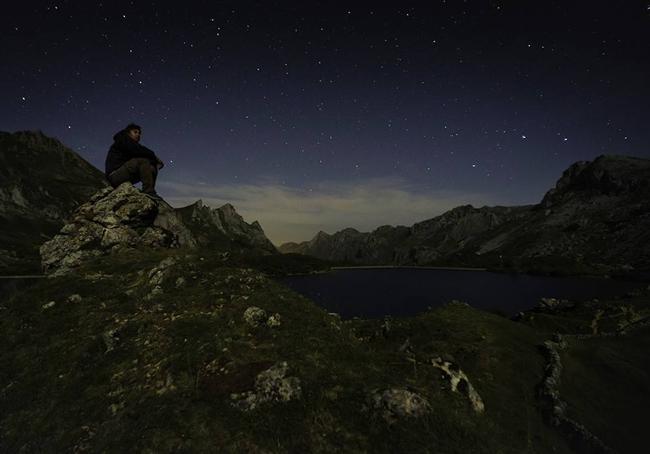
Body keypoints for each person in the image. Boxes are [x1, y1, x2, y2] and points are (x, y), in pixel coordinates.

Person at [105, 123, 164, 199]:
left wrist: (155, 162)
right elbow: (138, 150)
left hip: (125, 174)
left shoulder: (132, 145)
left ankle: (151, 192)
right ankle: (148, 191)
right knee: (142, 160)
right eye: (135, 132)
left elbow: (141, 151)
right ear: (128, 133)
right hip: (114, 176)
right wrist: (155, 157)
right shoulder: (122, 140)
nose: (138, 135)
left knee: (152, 167)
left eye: (139, 133)